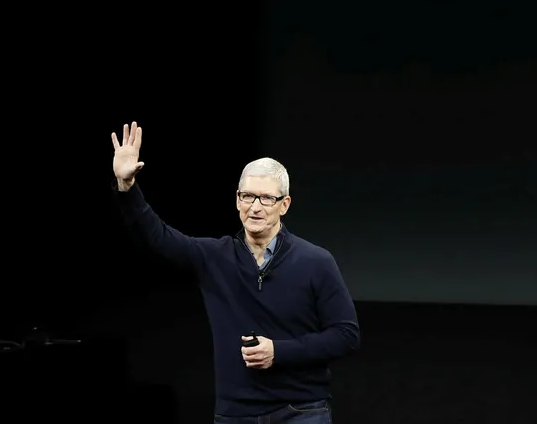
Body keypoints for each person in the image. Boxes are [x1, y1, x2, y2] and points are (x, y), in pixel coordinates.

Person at [110, 121, 360, 422]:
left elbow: (346, 335)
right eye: (247, 196)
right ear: (237, 199)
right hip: (236, 414)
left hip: (302, 410)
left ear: (285, 205)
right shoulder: (214, 257)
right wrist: (128, 187)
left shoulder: (316, 261)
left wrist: (279, 352)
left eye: (266, 198)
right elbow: (156, 236)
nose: (255, 207)